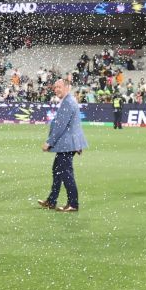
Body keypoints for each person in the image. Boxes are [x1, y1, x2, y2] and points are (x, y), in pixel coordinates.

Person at [39, 78, 86, 212]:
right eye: (55, 87)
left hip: (66, 144)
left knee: (66, 173)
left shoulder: (68, 102)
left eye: (59, 87)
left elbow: (60, 126)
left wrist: (49, 142)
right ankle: (52, 200)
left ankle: (73, 204)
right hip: (69, 144)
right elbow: (75, 125)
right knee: (57, 171)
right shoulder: (69, 101)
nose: (56, 90)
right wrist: (78, 144)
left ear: (67, 87)